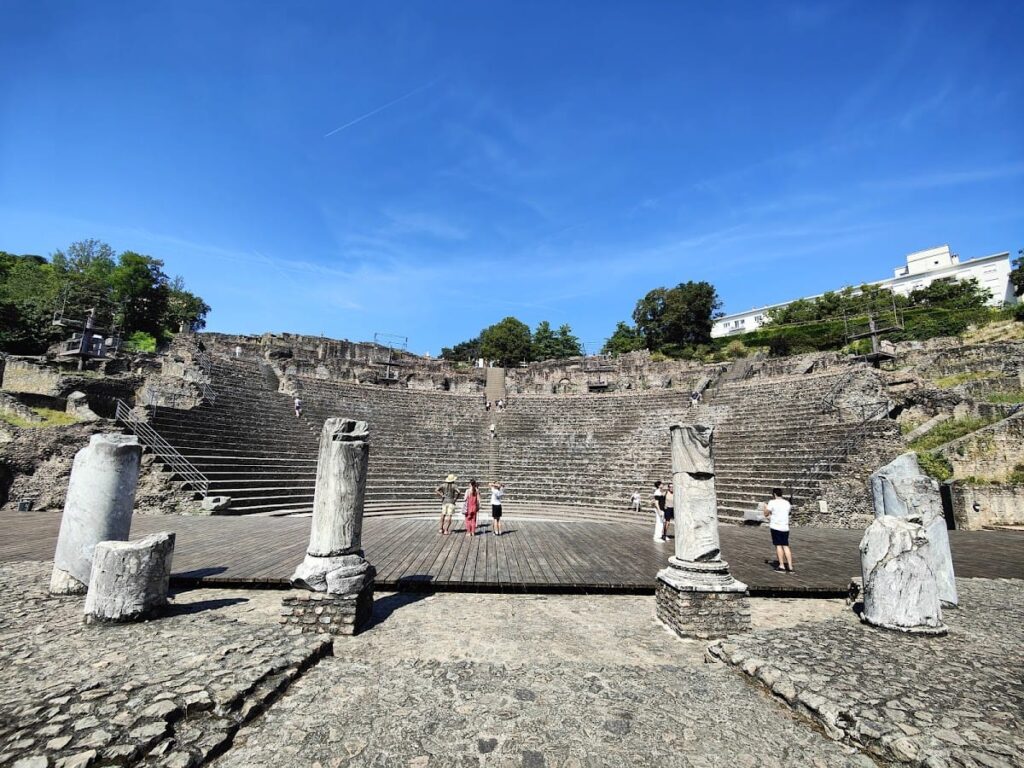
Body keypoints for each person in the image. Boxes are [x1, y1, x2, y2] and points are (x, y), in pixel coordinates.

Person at [764, 488, 794, 573]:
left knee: (778, 545)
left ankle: (781, 566)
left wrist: (765, 508)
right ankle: (790, 567)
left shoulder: (772, 502)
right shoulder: (787, 503)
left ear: (774, 494)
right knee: (785, 545)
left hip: (776, 526)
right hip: (785, 527)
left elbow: (766, 514)